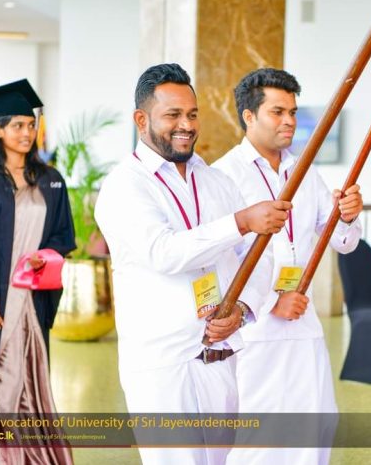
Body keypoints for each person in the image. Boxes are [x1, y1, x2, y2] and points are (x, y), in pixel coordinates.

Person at [94, 63, 292, 465]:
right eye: (173, 115)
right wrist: (240, 222)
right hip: (163, 365)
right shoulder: (124, 186)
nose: (186, 125)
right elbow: (163, 252)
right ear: (141, 120)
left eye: (192, 114)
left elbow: (259, 254)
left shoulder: (216, 181)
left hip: (219, 357)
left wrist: (242, 308)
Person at [213, 68, 363, 465]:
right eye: (277, 112)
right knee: (261, 438)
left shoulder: (304, 170)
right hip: (254, 331)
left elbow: (342, 241)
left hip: (303, 324)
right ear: (249, 116)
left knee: (316, 426)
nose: (289, 121)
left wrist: (347, 215)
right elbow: (218, 261)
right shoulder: (224, 175)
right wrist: (270, 303)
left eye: (293, 112)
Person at [0, 79, 75, 464]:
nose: (27, 132)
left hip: (31, 296)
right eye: (17, 125)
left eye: (31, 124)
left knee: (26, 373)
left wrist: (46, 256)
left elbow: (62, 236)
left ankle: (27, 453)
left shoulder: (50, 179)